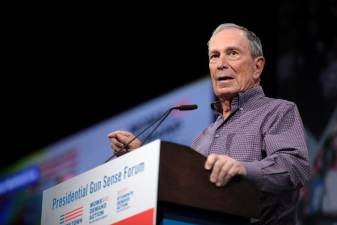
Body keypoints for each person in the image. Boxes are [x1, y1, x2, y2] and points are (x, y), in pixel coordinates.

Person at [108, 23, 310, 225]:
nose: (221, 63)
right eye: (214, 56)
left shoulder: (277, 111)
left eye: (232, 53)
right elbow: (183, 188)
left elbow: (295, 167)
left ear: (257, 66)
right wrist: (143, 156)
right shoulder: (202, 138)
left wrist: (243, 169)